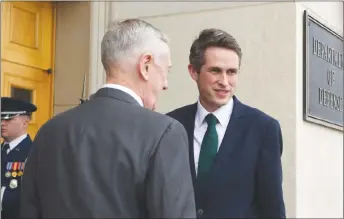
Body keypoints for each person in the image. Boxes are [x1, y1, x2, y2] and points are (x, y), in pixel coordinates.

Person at [20, 19, 196, 218]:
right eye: (167, 71)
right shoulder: (164, 133)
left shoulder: (49, 130)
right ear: (145, 65)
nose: (165, 84)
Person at [167, 28, 286, 218]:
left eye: (231, 72)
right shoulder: (170, 125)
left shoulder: (263, 129)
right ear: (193, 72)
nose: (224, 81)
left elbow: (272, 207)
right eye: (215, 71)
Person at [1, 97, 37, 219]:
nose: (2, 123)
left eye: (9, 119)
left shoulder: (33, 153)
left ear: (25, 123)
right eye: (1, 118)